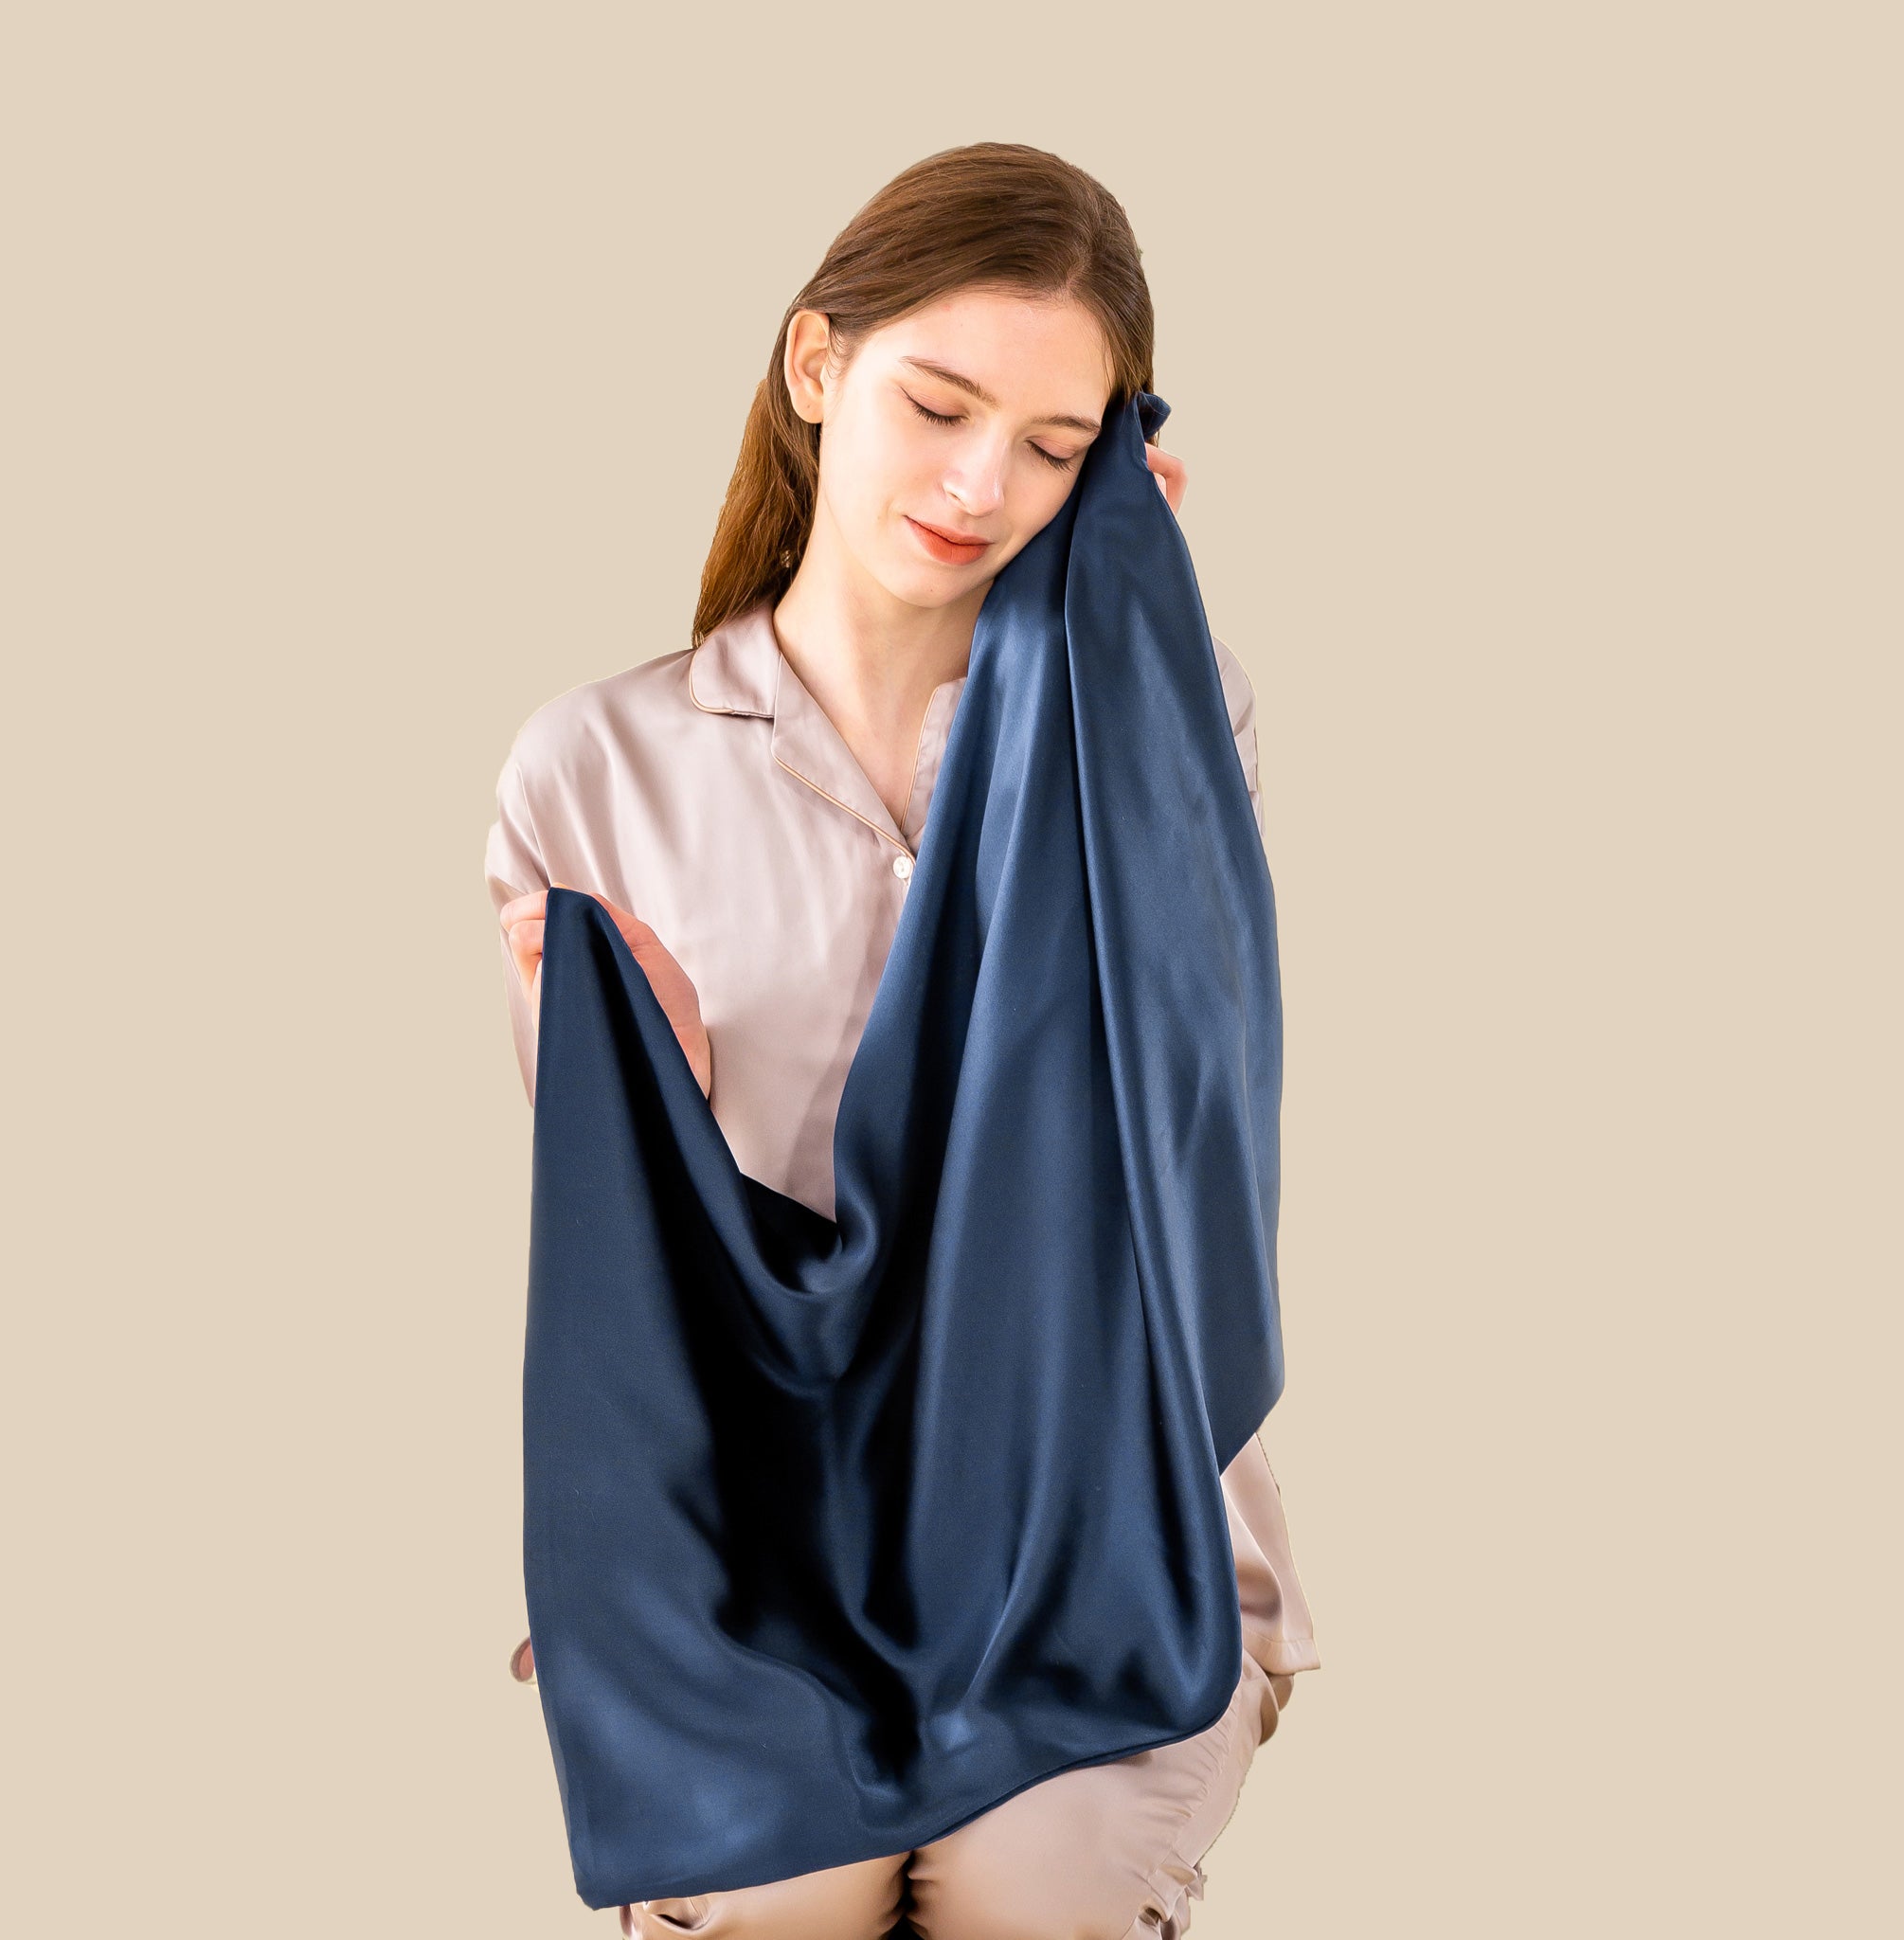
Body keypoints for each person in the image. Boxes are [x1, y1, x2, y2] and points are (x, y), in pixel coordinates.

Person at [484, 140, 1319, 1940]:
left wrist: (1129, 673)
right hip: (762, 1541)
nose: (977, 485)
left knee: (1042, 1890)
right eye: (938, 406)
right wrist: (659, 1100)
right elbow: (621, 1292)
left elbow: (1189, 1137)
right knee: (772, 1895)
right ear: (816, 366)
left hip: (1102, 1526)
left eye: (1055, 448)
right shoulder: (597, 769)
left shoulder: (1171, 718)